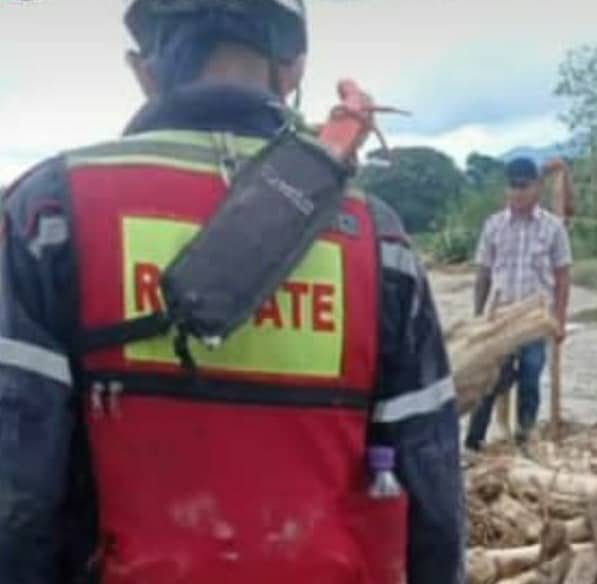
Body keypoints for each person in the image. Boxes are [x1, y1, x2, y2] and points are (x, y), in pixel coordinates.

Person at [0, 2, 464, 583]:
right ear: (292, 69)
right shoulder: (378, 237)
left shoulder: (51, 212)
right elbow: (432, 489)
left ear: (143, 69)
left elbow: (17, 491)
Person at [466, 157, 572, 451]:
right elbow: (483, 274)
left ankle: (525, 439)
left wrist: (559, 321)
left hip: (535, 320)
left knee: (530, 377)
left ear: (536, 188)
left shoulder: (553, 228)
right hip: (499, 317)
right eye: (513, 187)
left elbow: (563, 277)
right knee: (488, 381)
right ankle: (474, 441)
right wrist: (479, 320)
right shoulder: (494, 226)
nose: (518, 193)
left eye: (524, 187)